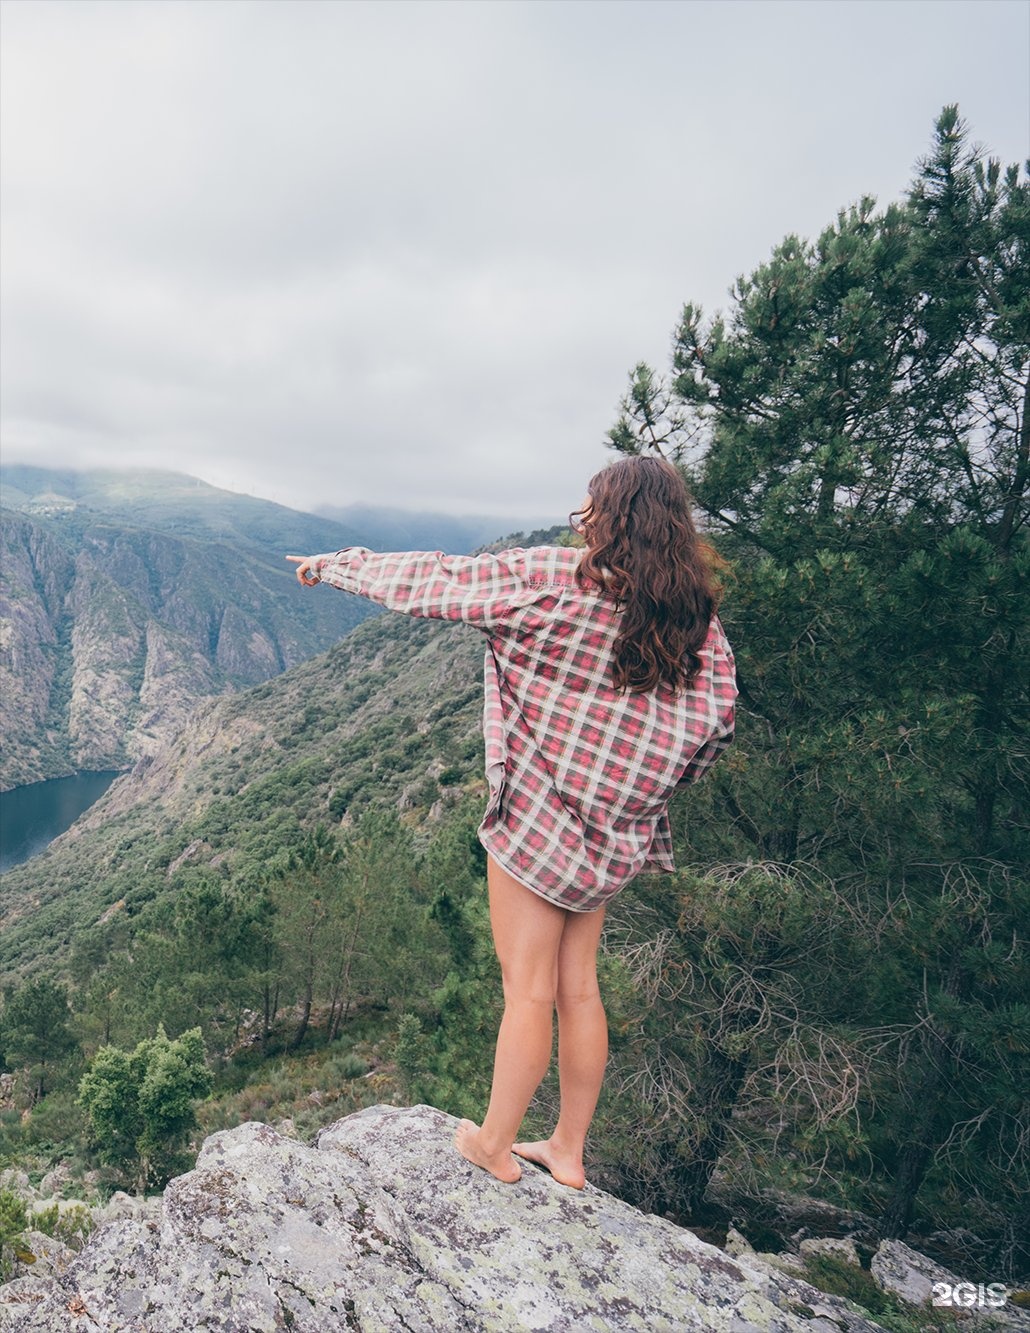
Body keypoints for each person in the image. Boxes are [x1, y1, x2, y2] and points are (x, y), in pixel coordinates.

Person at [288, 455, 737, 1188]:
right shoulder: (696, 623)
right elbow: (715, 726)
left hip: (538, 827)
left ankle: (494, 1144)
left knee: (526, 990)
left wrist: (336, 567)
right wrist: (648, 793)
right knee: (579, 988)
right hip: (614, 837)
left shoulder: (553, 584)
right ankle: (568, 1148)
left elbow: (435, 581)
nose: (581, 519)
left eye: (590, 507)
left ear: (610, 517)